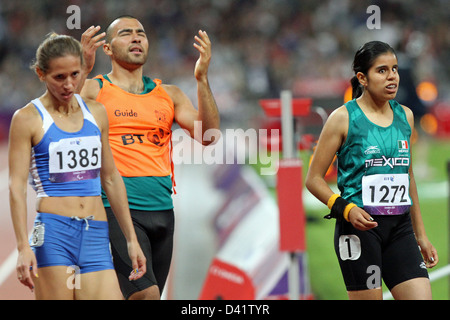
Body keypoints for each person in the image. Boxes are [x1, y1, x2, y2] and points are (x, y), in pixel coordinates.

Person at [80, 16, 220, 300]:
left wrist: (202, 79)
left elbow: (208, 136)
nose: (136, 38)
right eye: (126, 33)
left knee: (145, 296)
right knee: (147, 295)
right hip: (118, 209)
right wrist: (82, 69)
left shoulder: (169, 94)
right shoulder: (95, 90)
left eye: (141, 33)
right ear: (107, 49)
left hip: (163, 211)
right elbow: (60, 117)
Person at [8, 32, 146, 300]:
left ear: (83, 70)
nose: (68, 85)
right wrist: (23, 247)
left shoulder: (97, 113)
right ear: (40, 73)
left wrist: (131, 239)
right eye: (59, 77)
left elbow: (110, 178)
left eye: (74, 74)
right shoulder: (27, 119)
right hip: (53, 234)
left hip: (95, 232)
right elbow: (16, 186)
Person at [305, 41, 438, 300]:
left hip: (400, 228)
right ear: (362, 78)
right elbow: (313, 179)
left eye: (395, 69)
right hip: (359, 232)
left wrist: (420, 234)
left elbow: (407, 177)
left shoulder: (406, 116)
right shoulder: (343, 118)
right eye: (382, 70)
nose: (392, 77)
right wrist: (345, 208)